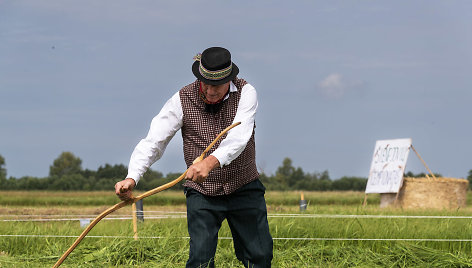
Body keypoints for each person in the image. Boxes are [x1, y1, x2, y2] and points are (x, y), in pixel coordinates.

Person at [115, 47, 273, 267]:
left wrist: (210, 162)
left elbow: (239, 137)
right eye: (204, 83)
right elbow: (154, 141)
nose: (209, 91)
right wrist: (132, 177)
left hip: (244, 186)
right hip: (202, 193)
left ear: (230, 79)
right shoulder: (181, 99)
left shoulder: (247, 93)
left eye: (216, 85)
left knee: (259, 256)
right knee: (200, 260)